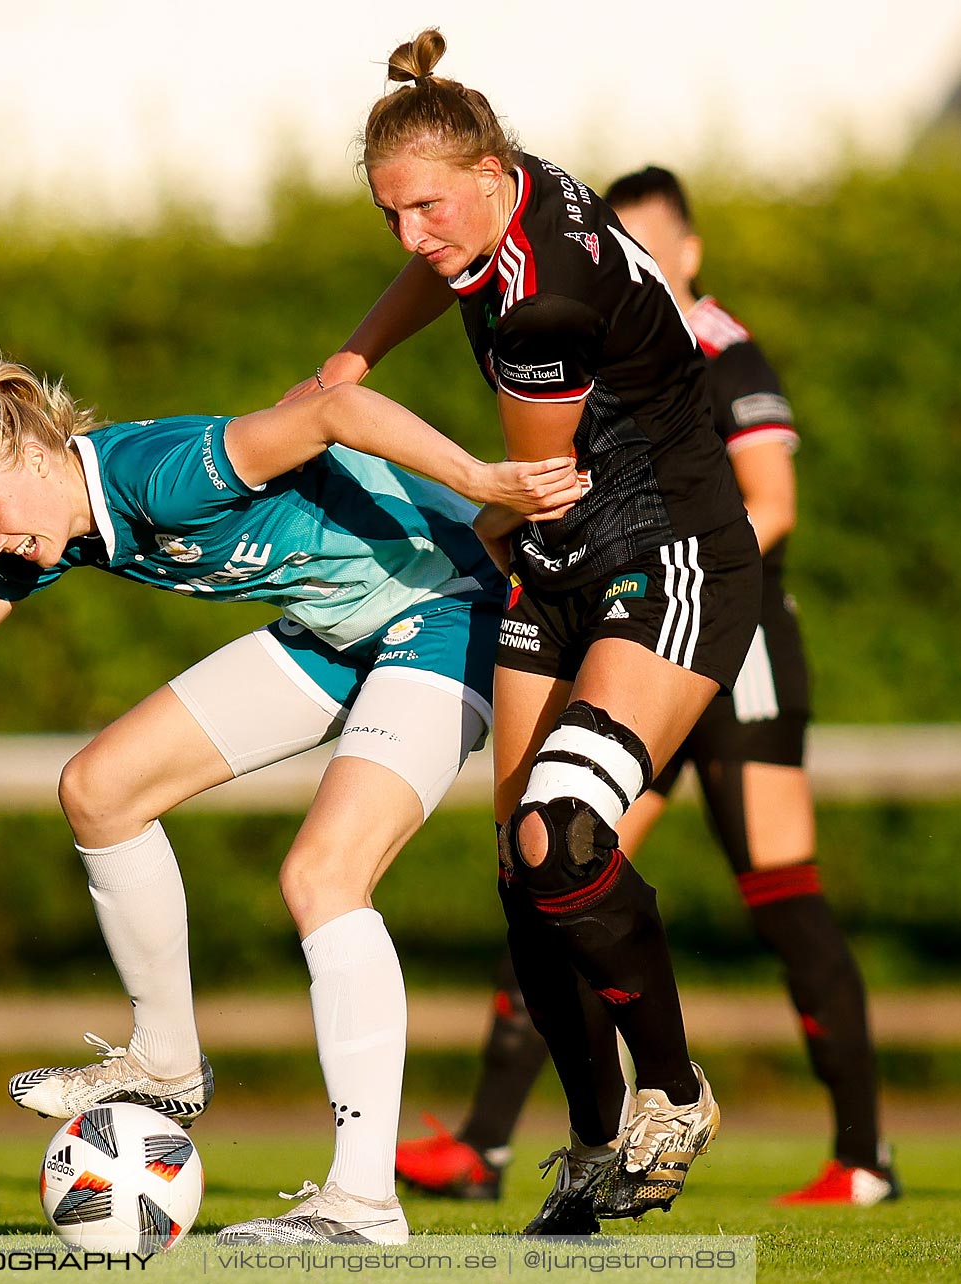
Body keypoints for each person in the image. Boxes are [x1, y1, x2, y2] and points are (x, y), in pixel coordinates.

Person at [0, 351, 581, 1246]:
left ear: (35, 456)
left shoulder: (161, 477)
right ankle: (169, 1062)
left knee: (323, 875)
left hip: (454, 606)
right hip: (341, 628)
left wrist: (484, 480)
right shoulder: (52, 530)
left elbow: (337, 410)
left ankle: (363, 1205)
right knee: (99, 789)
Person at [294, 30, 764, 1233]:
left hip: (664, 556)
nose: (411, 236)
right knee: (522, 876)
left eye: (426, 208)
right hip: (564, 565)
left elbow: (525, 481)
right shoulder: (516, 187)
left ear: (490, 168)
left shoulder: (543, 302)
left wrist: (352, 419)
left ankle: (674, 1091)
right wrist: (357, 348)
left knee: (561, 835)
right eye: (390, 213)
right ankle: (600, 1149)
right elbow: (438, 277)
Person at [394, 167, 896, 1208]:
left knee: (777, 890)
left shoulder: (722, 347)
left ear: (690, 256)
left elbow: (770, 503)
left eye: (658, 250)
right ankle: (510, 1140)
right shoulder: (551, 297)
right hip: (616, 605)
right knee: (545, 859)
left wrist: (666, 584)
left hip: (713, 625)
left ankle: (861, 1157)